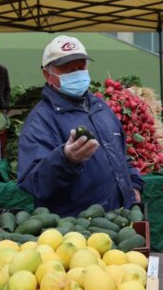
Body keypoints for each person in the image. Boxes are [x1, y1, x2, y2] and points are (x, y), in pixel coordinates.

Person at [17, 35, 143, 216]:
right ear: (47, 74)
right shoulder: (40, 121)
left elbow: (120, 154)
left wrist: (134, 185)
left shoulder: (100, 107)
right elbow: (34, 184)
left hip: (118, 221)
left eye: (80, 67)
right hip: (78, 231)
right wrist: (66, 159)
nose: (77, 73)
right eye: (68, 70)